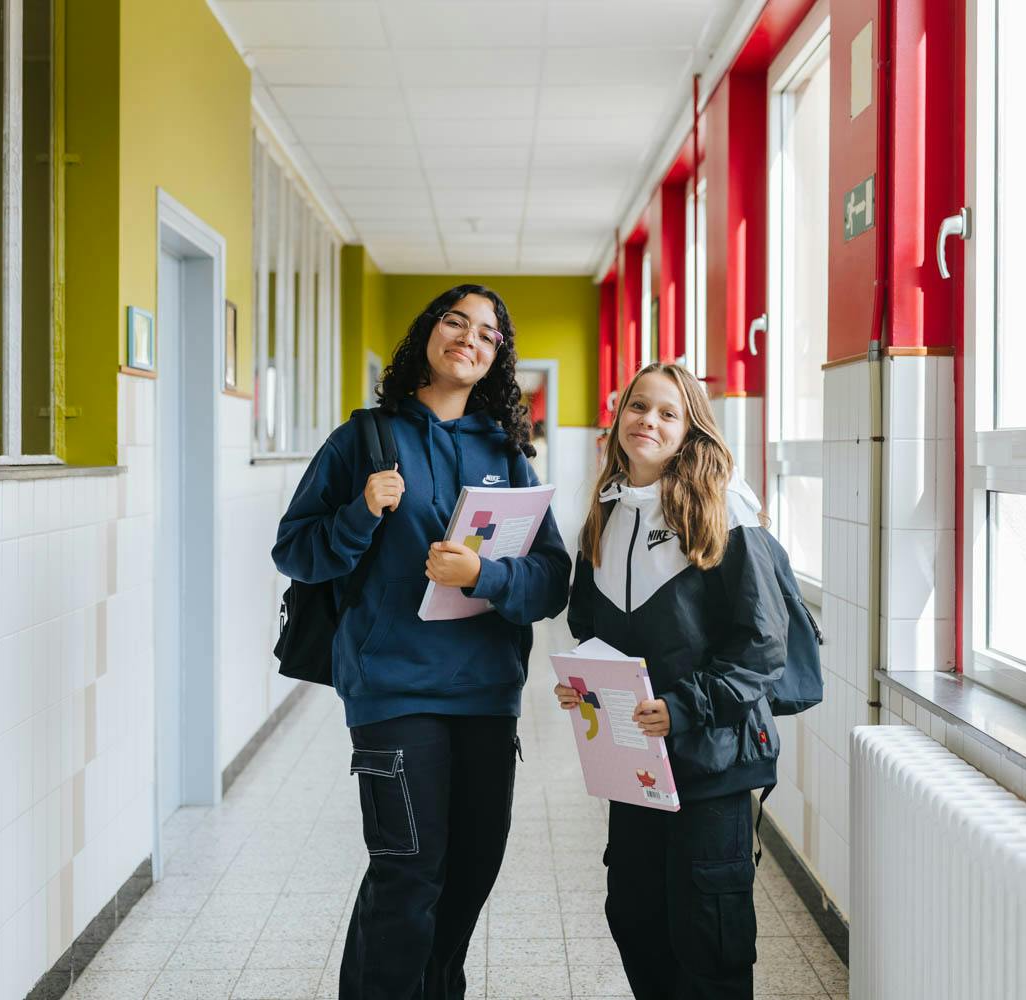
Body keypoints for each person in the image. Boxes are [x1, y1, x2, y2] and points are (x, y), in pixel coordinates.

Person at [273, 284, 571, 1000]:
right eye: (454, 322)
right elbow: (295, 552)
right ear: (428, 334)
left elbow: (552, 578)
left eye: (487, 335)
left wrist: (487, 576)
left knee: (468, 873)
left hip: (487, 696)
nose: (468, 338)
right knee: (408, 873)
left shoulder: (507, 452)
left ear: (497, 358)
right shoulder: (362, 441)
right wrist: (359, 514)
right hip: (394, 691)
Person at [555, 362, 790, 1000]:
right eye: (638, 407)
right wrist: (588, 686)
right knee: (634, 916)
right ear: (618, 416)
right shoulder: (603, 519)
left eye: (667, 412)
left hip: (712, 760)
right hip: (636, 764)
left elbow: (763, 645)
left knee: (708, 935)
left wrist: (682, 708)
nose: (648, 422)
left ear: (690, 430)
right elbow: (587, 626)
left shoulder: (724, 511)